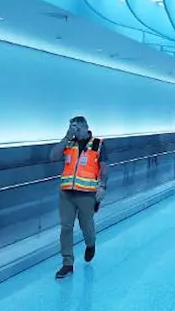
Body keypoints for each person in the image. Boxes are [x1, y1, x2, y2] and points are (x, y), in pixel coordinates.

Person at [50, 115, 106, 279]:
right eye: (71, 128)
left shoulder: (97, 144)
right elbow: (53, 156)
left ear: (85, 127)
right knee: (66, 227)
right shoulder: (69, 142)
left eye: (76, 128)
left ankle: (90, 244)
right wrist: (67, 136)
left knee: (86, 226)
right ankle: (67, 263)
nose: (74, 131)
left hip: (86, 194)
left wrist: (102, 186)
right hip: (67, 193)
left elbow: (104, 166)